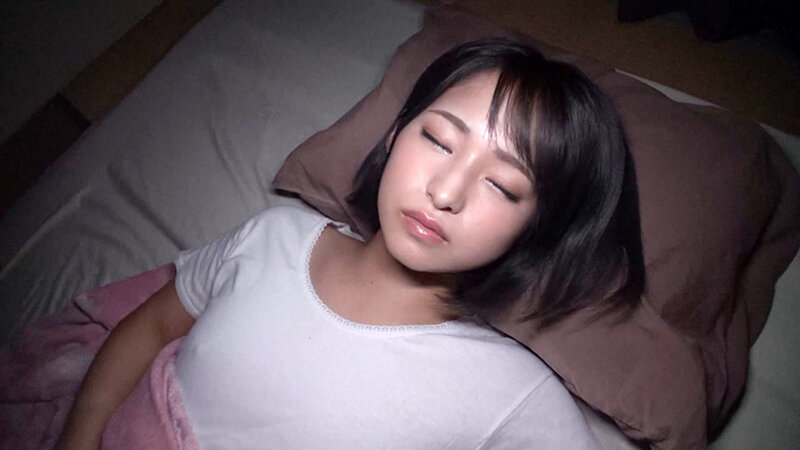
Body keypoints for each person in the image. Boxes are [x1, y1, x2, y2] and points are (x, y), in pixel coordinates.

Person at [58, 38, 644, 449]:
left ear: (536, 228)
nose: (445, 192)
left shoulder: (513, 393)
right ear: (394, 135)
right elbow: (151, 329)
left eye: (502, 185)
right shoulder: (273, 237)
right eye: (439, 140)